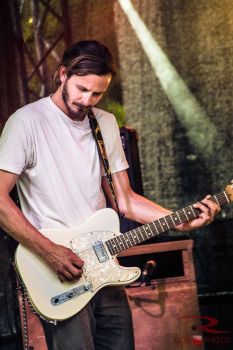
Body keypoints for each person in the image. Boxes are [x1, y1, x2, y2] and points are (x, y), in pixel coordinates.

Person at [0, 40, 220, 350]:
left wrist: (179, 221)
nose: (87, 100)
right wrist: (49, 251)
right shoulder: (26, 122)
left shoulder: (104, 123)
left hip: (103, 266)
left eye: (97, 93)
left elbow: (125, 200)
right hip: (58, 267)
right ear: (62, 74)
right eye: (81, 89)